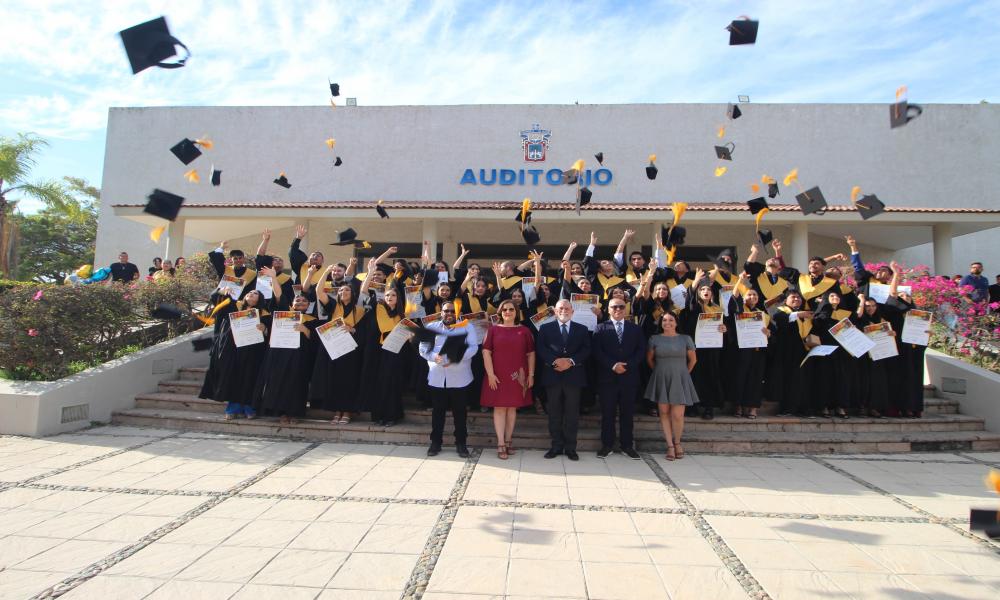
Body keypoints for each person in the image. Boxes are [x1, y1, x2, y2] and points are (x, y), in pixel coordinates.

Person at [198, 283, 273, 420]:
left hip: (254, 351)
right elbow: (214, 297)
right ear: (244, 296)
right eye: (249, 292)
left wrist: (265, 329)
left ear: (260, 299)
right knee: (233, 377)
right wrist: (221, 291)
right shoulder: (233, 305)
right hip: (233, 349)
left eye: (255, 293)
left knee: (250, 378)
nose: (251, 294)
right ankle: (233, 408)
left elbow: (270, 332)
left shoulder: (265, 313)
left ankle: (249, 407)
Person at [419, 300, 479, 457]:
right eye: (446, 311)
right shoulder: (431, 327)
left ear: (457, 312)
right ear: (441, 313)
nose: (449, 314)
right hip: (437, 377)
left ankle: (461, 443)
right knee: (437, 412)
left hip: (460, 377)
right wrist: (434, 357)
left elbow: (473, 347)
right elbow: (423, 348)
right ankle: (436, 443)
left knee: (460, 413)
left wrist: (454, 358)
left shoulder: (467, 327)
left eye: (452, 311)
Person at [591, 297, 646, 459]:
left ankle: (627, 445)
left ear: (626, 309)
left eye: (621, 306)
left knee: (627, 413)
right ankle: (606, 445)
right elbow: (597, 351)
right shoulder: (600, 328)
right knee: (607, 413)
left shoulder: (635, 329)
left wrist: (627, 365)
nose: (618, 309)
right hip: (607, 378)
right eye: (614, 307)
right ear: (608, 309)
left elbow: (641, 350)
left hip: (629, 377)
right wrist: (613, 365)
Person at [480, 299, 536, 459]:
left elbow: (531, 354)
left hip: (518, 375)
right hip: (497, 375)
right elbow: (486, 352)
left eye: (511, 309)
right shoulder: (493, 330)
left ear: (516, 312)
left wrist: (531, 375)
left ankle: (509, 440)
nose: (508, 312)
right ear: (500, 312)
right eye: (504, 310)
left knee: (512, 408)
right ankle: (500, 443)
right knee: (499, 408)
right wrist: (490, 374)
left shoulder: (524, 331)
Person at [310, 271, 368, 425]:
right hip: (334, 350)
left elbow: (364, 332)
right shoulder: (333, 307)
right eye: (341, 290)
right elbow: (318, 291)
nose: (343, 292)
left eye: (347, 290)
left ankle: (347, 412)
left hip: (351, 351)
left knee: (349, 381)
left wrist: (353, 330)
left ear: (352, 293)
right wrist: (326, 272)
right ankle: (337, 411)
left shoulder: (360, 311)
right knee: (334, 380)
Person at [253, 293, 318, 423]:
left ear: (308, 305)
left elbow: (316, 341)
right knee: (280, 383)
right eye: (297, 300)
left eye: (304, 301)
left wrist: (305, 330)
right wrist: (264, 329)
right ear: (292, 304)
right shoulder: (281, 316)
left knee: (297, 384)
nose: (300, 302)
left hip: (300, 357)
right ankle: (281, 412)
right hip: (280, 355)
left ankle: (295, 413)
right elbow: (270, 331)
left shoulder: (313, 320)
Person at [359, 262, 409, 426]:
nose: (390, 298)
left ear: (397, 298)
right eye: (387, 296)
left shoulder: (402, 315)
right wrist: (370, 272)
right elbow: (363, 292)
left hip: (395, 353)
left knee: (392, 383)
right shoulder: (376, 307)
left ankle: (392, 416)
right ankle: (380, 415)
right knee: (379, 383)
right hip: (378, 351)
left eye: (393, 296)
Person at [644, 312, 698, 460]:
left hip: (680, 378)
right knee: (664, 413)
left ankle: (678, 442)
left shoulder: (685, 338)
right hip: (661, 377)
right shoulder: (654, 339)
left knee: (678, 414)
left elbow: (693, 360)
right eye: (664, 320)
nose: (667, 323)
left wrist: (684, 375)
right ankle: (670, 446)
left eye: (671, 320)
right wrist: (659, 372)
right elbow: (650, 359)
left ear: (676, 322)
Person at [679, 270, 726, 420]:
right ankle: (692, 406)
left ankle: (708, 407)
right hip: (694, 348)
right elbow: (690, 300)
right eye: (702, 289)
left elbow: (725, 328)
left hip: (712, 349)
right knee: (693, 376)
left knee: (710, 376)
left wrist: (725, 329)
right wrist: (696, 281)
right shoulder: (694, 307)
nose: (706, 291)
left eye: (708, 290)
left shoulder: (717, 309)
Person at [725, 278, 772, 419]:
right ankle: (738, 406)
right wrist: (740, 280)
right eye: (749, 295)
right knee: (740, 378)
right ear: (744, 297)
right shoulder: (739, 310)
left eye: (755, 295)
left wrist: (769, 334)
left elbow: (771, 333)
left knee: (755, 379)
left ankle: (752, 408)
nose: (752, 297)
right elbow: (734, 297)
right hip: (741, 352)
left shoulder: (763, 315)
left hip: (757, 352)